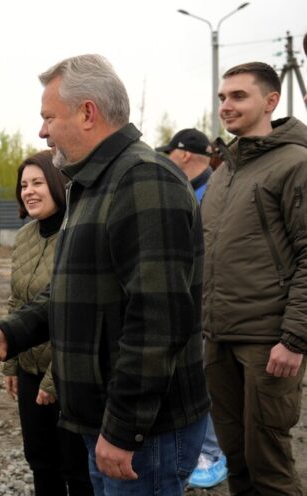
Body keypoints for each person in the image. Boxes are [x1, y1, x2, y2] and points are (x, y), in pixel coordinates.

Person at [0, 54, 210, 494]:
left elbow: (159, 321)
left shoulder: (143, 179)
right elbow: (68, 294)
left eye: (48, 117)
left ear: (88, 113)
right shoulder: (94, 184)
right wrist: (6, 335)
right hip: (106, 422)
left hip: (143, 434)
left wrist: (125, 429)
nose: (42, 131)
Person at [201, 61, 307, 495]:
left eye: (238, 96)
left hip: (269, 342)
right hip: (218, 338)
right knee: (237, 459)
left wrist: (295, 339)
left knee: (269, 466)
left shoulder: (295, 163)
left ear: (271, 101)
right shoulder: (224, 171)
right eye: (223, 97)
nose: (226, 106)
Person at [1, 150, 92, 495]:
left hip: (70, 374)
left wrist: (54, 380)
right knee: (40, 461)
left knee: (76, 468)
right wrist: (11, 363)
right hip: (29, 370)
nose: (29, 191)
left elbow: (81, 313)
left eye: (38, 182)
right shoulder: (24, 237)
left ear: (58, 184)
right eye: (24, 185)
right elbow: (16, 302)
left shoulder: (78, 234)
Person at [157, 128, 227, 489]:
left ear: (184, 154)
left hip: (211, 309)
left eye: (169, 154)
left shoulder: (213, 194)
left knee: (204, 379)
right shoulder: (188, 192)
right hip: (189, 305)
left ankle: (211, 452)